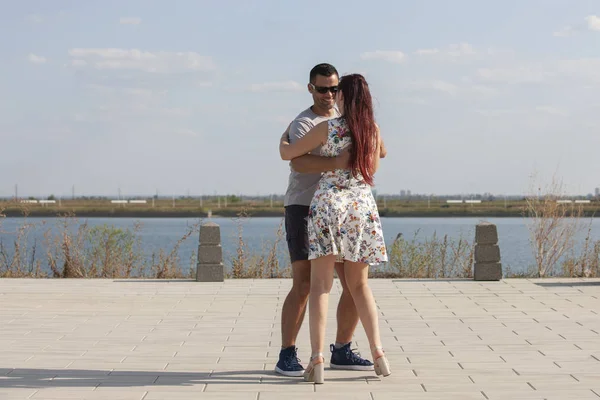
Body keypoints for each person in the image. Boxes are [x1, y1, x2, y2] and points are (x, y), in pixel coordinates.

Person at [279, 73, 391, 384]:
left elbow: (289, 155)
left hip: (329, 204)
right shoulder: (373, 131)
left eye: (336, 91)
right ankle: (379, 352)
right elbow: (377, 161)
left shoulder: (327, 128)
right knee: (360, 286)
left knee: (320, 287)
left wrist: (283, 139)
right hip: (361, 207)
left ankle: (316, 360)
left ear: (343, 96)